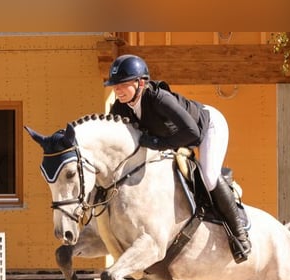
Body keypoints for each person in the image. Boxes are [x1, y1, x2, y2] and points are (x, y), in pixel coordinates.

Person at [104, 54, 251, 263]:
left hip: (207, 126)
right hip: (175, 136)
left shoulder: (158, 99)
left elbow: (193, 133)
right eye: (115, 86)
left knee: (209, 176)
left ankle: (239, 234)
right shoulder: (120, 107)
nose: (117, 90)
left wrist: (155, 144)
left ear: (141, 83)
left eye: (123, 85)